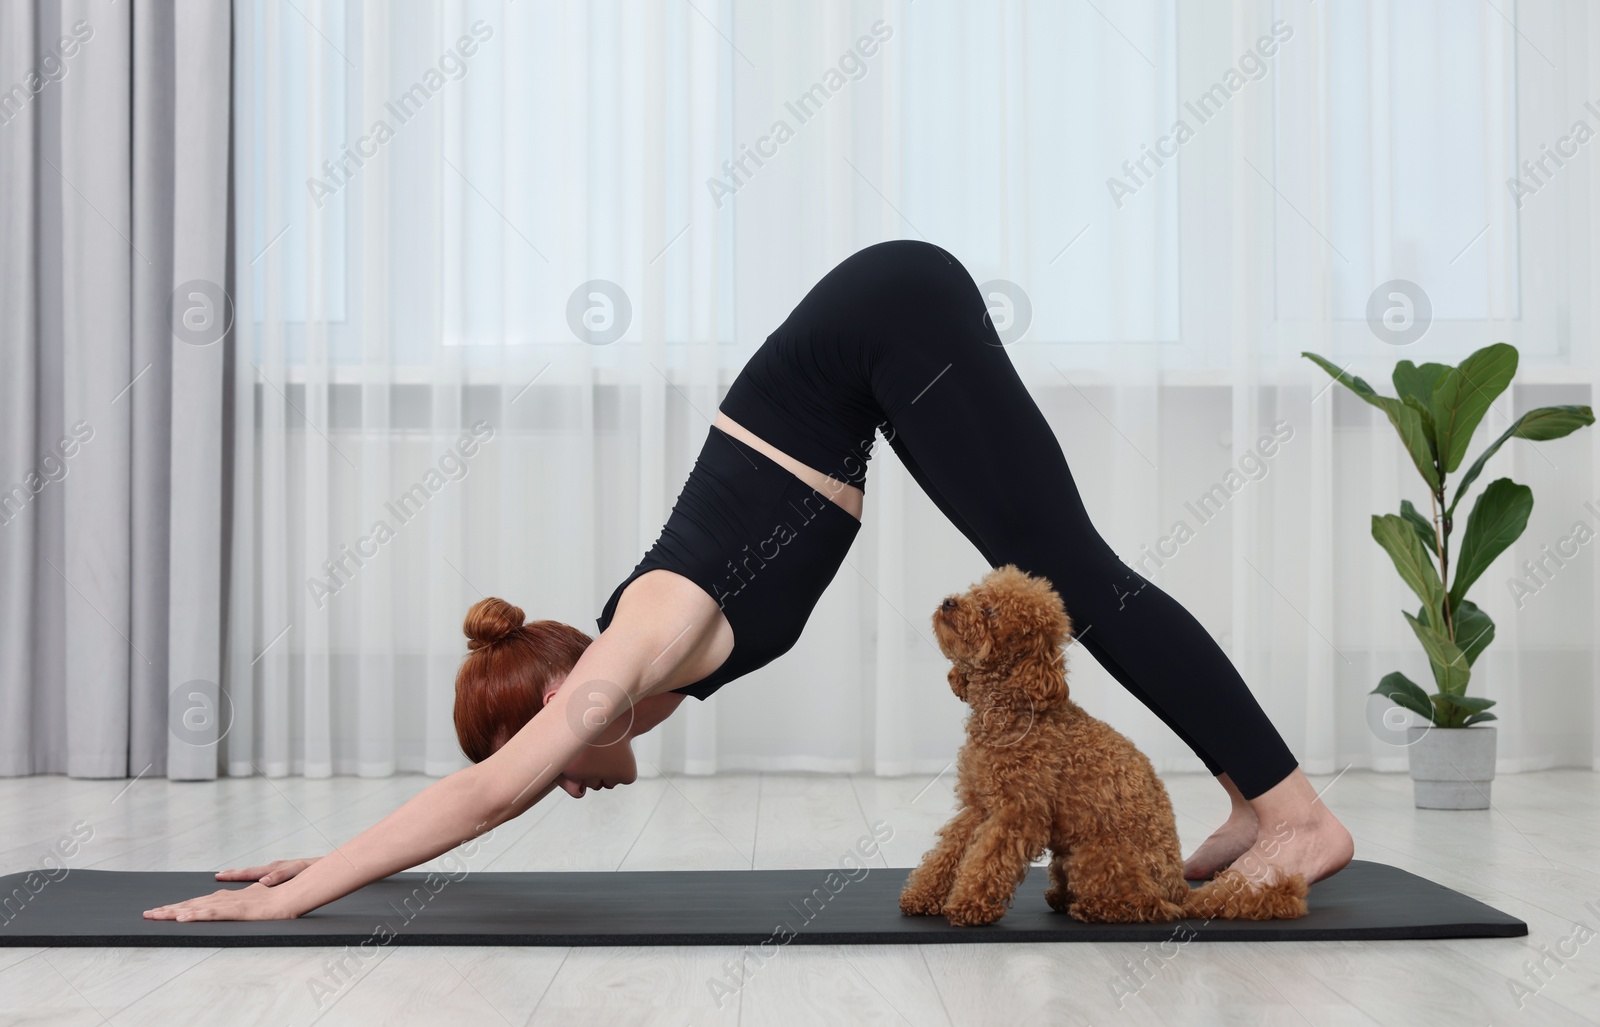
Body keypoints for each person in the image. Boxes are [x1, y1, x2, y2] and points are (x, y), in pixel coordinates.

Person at [144, 240, 1351, 922]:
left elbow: (493, 796)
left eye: (551, 752)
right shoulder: (633, 659)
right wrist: (327, 857)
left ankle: (1296, 816)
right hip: (873, 344)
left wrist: (305, 887)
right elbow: (507, 782)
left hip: (889, 318)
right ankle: (1255, 801)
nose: (562, 784)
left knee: (1079, 580)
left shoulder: (633, 649)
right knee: (1074, 576)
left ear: (567, 701)